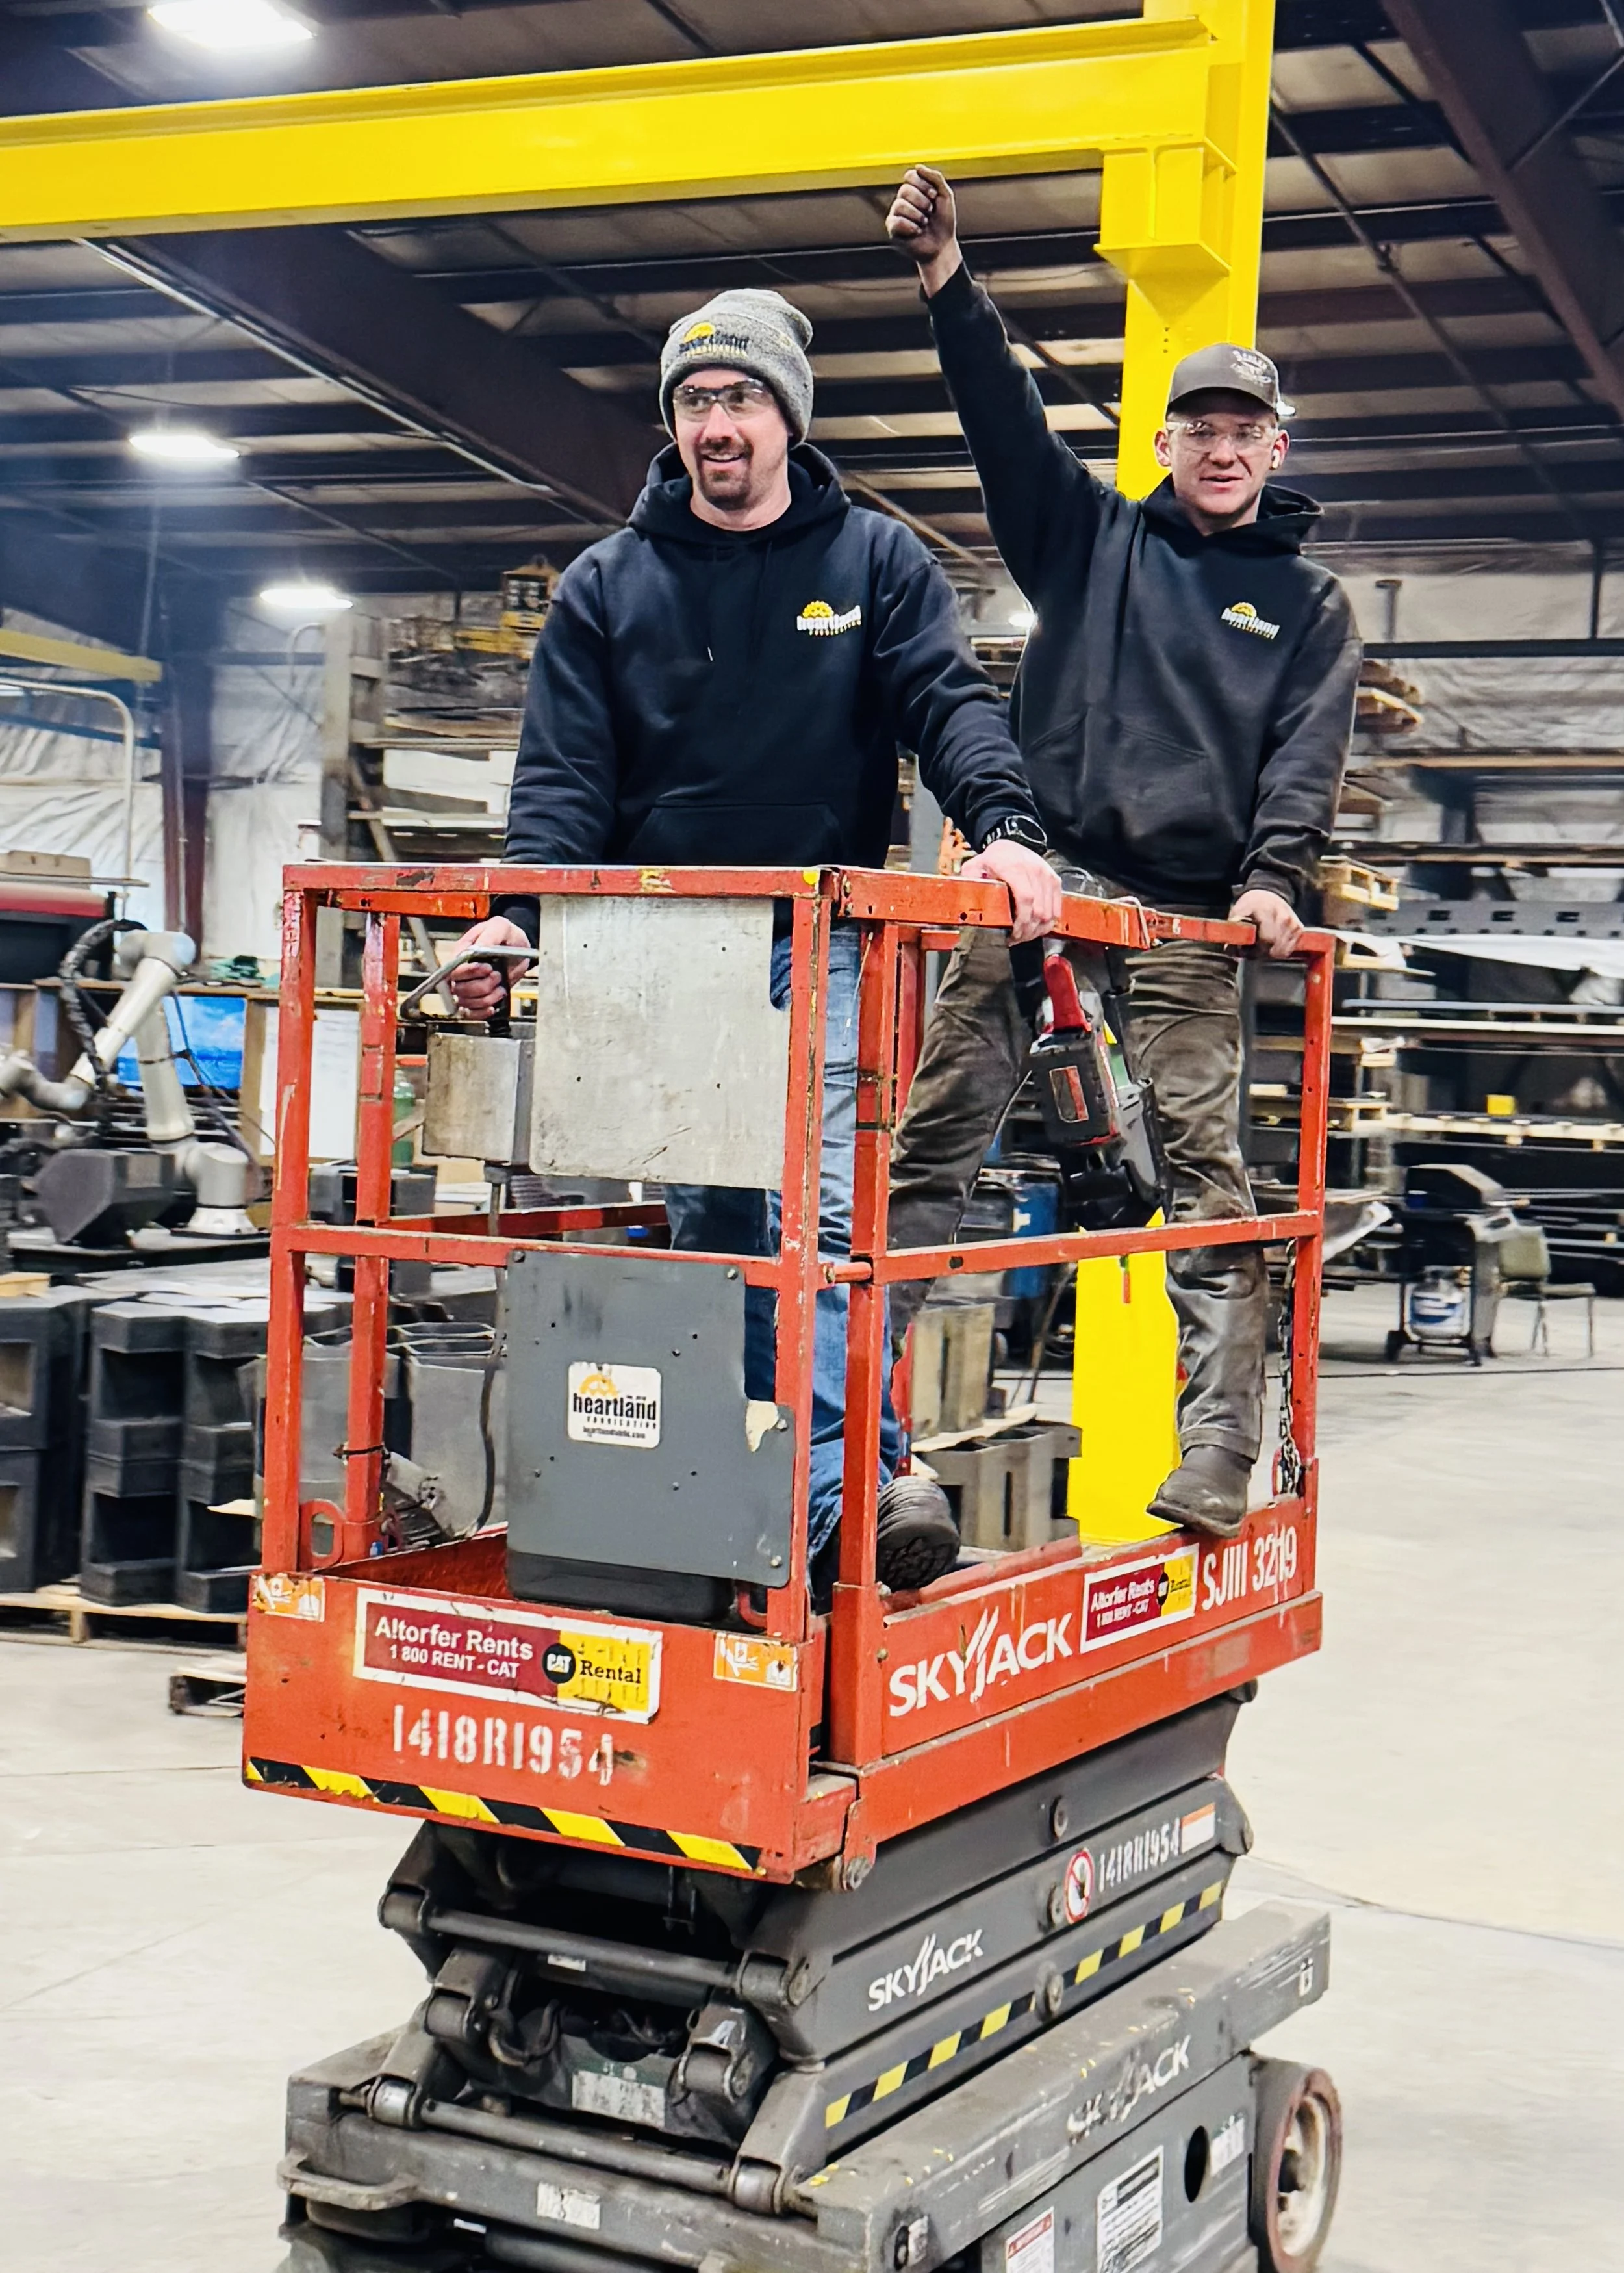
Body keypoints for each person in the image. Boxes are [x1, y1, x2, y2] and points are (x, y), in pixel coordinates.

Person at [448, 285, 1060, 1594]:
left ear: (786, 414)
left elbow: (945, 705)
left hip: (813, 936)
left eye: (738, 399)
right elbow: (561, 774)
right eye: (693, 402)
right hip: (655, 945)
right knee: (720, 1215)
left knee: (820, 1206)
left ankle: (846, 1485)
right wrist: (513, 909)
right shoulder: (609, 585)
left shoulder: (875, 565)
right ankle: (747, 1471)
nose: (715, 424)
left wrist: (1002, 826)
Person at [883, 166, 1360, 1540]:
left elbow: (1304, 758)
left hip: (1186, 915)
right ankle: (855, 1426)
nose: (1219, 450)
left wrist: (1273, 878)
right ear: (1164, 440)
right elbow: (1004, 430)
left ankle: (1218, 1447)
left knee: (1200, 1171)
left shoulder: (1309, 605)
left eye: (1243, 432)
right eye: (1198, 428)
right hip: (1041, 891)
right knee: (933, 1145)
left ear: (1273, 450)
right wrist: (948, 287)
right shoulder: (1089, 545)